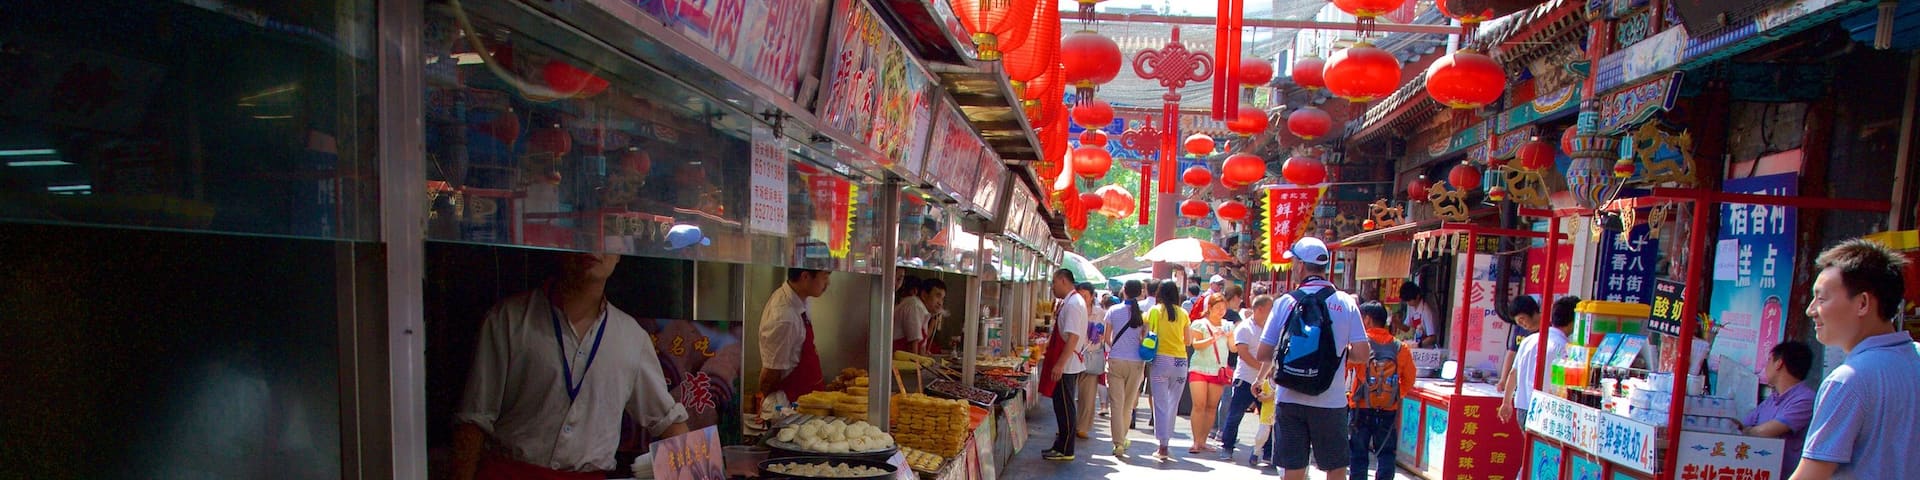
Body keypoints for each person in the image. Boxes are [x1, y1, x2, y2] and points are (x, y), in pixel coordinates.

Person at [453, 253, 691, 480]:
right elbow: (473, 421)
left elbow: (669, 422)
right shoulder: (508, 319)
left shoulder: (632, 337)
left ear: (620, 253)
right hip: (510, 473)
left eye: (607, 234)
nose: (594, 246)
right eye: (585, 234)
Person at [1793, 239, 1920, 479]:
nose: (1811, 310)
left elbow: (1811, 475)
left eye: (1821, 299)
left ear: (1862, 303)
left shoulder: (1848, 380)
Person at [1256, 237, 1372, 480]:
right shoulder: (1345, 302)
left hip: (1289, 398)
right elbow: (1362, 354)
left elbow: (1263, 353)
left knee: (1293, 467)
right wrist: (1336, 356)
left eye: (1293, 263)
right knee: (1335, 467)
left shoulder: (1285, 302)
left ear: (1300, 265)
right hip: (1331, 400)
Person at [1348, 301, 1415, 480]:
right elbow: (1409, 379)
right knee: (1386, 452)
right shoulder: (1401, 348)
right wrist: (1393, 396)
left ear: (1367, 320)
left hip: (1360, 407)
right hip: (1388, 409)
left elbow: (1343, 370)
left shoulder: (1360, 345)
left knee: (1358, 453)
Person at [1500, 295, 1579, 427]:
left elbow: (1514, 372)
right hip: (1548, 410)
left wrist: (1506, 402)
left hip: (1523, 408)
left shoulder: (1528, 340)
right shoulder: (1564, 347)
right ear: (1573, 322)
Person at [1739, 341, 1815, 477]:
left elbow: (1767, 431)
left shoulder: (1805, 399)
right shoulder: (1771, 399)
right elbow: (1742, 426)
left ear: (1779, 363)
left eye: (1769, 360)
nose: (1765, 366)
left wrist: (1748, 431)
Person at [758, 268, 834, 401]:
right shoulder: (784, 317)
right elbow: (770, 375)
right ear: (805, 277)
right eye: (825, 277)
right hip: (789, 405)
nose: (828, 283)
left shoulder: (799, 298)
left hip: (807, 399)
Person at [1222, 295, 1276, 464]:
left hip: (1266, 382)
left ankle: (1267, 452)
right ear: (1259, 309)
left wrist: (1267, 373)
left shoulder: (1271, 328)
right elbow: (1244, 354)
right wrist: (1263, 369)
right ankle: (1227, 447)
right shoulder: (1245, 327)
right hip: (1245, 378)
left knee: (1268, 418)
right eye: (1270, 309)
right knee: (1235, 414)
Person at [1041, 269, 1088, 462]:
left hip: (1068, 364)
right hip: (1067, 362)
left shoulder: (1074, 304)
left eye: (1053, 282)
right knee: (1060, 405)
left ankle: (1066, 448)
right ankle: (1060, 445)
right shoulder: (1070, 302)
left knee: (1066, 406)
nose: (1052, 287)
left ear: (1063, 280)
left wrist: (1060, 364)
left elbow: (1073, 337)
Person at [1145, 280, 1192, 461]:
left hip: (1161, 360)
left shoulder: (1155, 311)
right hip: (1180, 361)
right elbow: (1188, 341)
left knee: (1161, 403)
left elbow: (1147, 331)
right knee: (1173, 403)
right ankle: (1167, 441)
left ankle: (1162, 445)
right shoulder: (1183, 313)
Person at [1104, 280, 1152, 457]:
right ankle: (1122, 439)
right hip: (1136, 363)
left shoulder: (1113, 310)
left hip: (1116, 360)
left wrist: (1116, 347)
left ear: (1124, 291)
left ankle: (1118, 443)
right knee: (1128, 404)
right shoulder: (1143, 315)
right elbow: (1144, 340)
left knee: (1116, 404)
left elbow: (1106, 338)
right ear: (1140, 293)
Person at [1186, 292, 1232, 455]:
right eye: (1218, 307)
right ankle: (1196, 441)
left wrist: (1230, 335)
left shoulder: (1228, 325)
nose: (1221, 311)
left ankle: (1203, 441)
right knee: (1199, 405)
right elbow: (1195, 345)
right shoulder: (1200, 323)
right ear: (1210, 308)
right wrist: (1213, 338)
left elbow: (1233, 348)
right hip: (1199, 367)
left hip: (1218, 370)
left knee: (1212, 407)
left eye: (1223, 308)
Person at [1211, 284, 1247, 441]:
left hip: (1214, 358)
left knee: (1215, 396)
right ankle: (1222, 430)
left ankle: (1213, 428)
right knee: (1226, 396)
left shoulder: (1215, 314)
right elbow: (1240, 336)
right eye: (1240, 298)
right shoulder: (1234, 316)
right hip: (1229, 360)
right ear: (1235, 297)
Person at [1075, 282, 1107, 440]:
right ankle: (1068, 425)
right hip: (1073, 355)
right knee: (1070, 394)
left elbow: (1105, 335)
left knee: (1088, 396)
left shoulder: (1100, 313)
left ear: (1092, 296)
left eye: (1085, 296)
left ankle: (1083, 427)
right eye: (1079, 295)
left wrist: (1099, 334)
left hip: (1091, 356)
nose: (1082, 299)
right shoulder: (1073, 309)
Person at [893, 277, 942, 354]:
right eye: (938, 296)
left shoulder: (925, 312)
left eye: (942, 299)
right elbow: (913, 344)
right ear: (924, 295)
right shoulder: (915, 306)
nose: (940, 303)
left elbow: (922, 348)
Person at [1399, 282, 1439, 348]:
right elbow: (1407, 327)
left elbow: (1432, 338)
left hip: (1428, 349)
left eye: (1409, 300)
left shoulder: (1427, 311)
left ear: (1417, 296)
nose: (1408, 303)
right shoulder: (1412, 307)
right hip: (1418, 345)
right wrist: (1397, 323)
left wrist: (1418, 345)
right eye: (1406, 301)